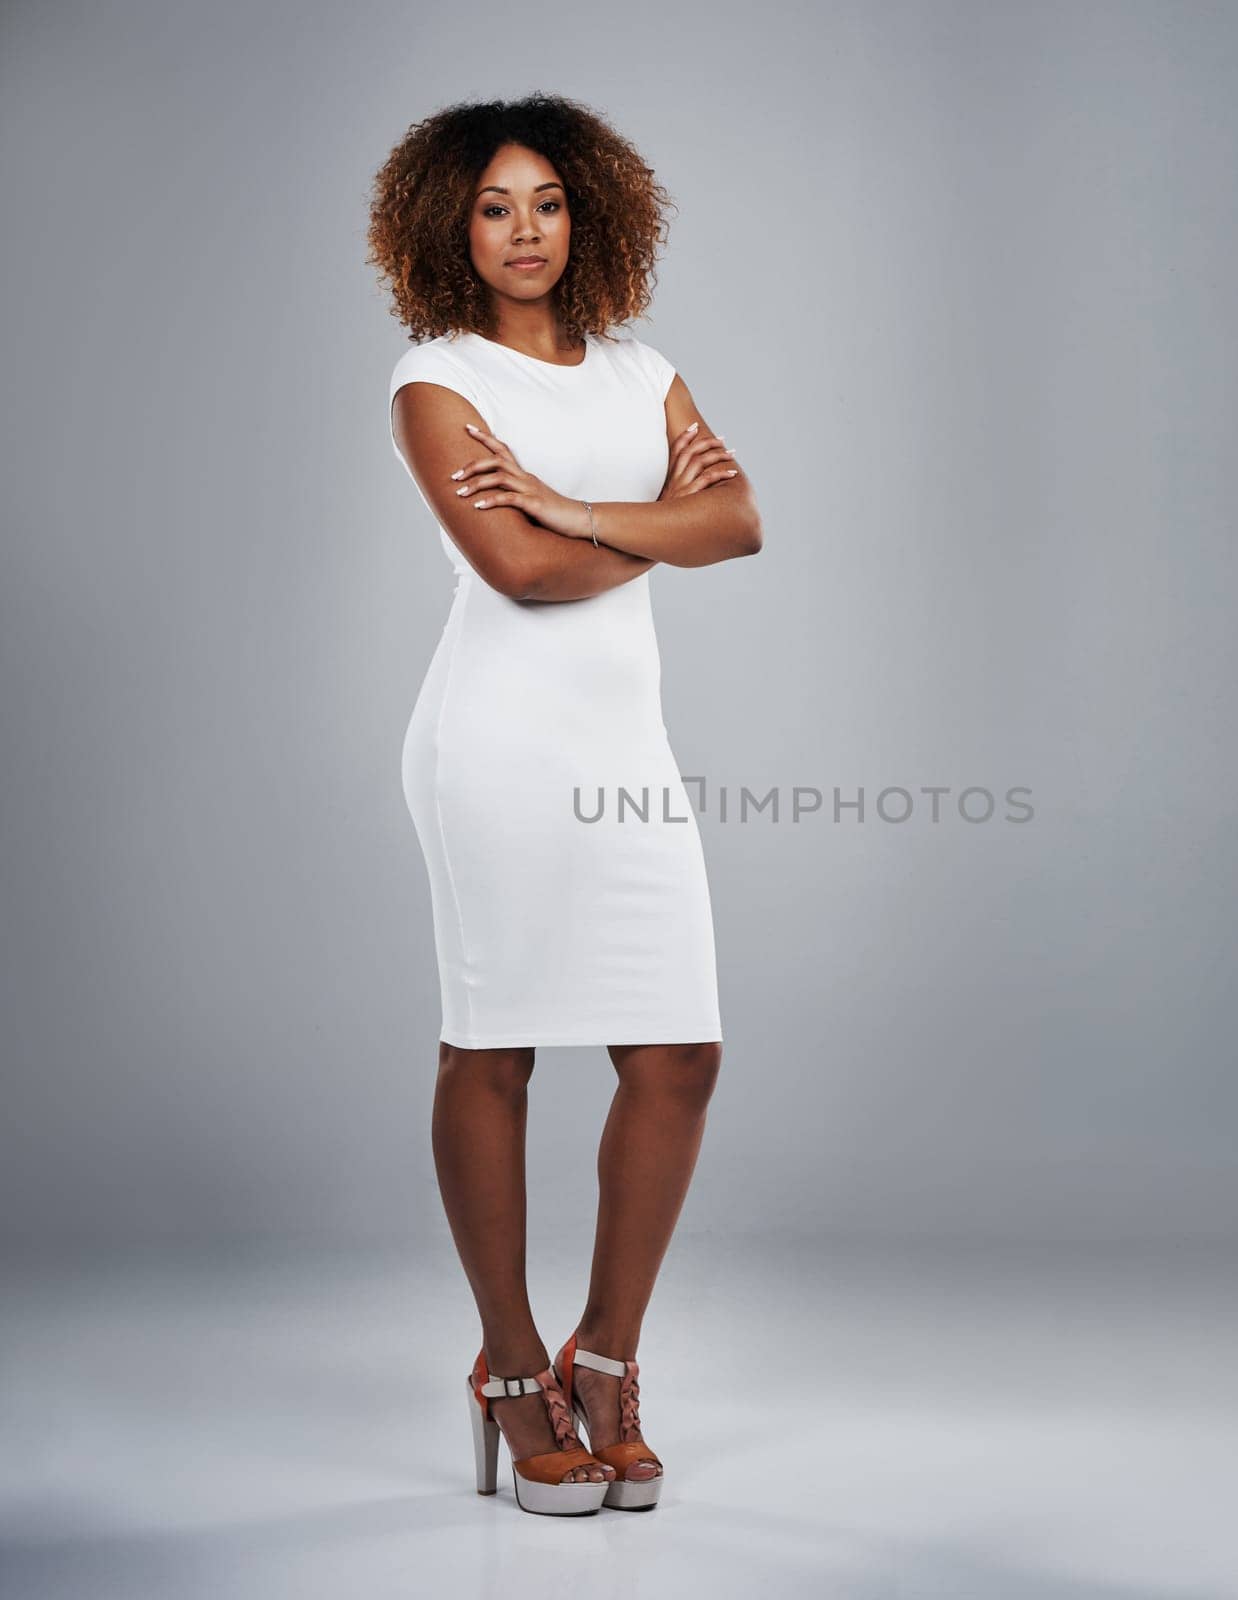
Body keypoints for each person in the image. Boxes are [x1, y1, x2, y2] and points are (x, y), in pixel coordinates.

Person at [367, 94, 762, 1516]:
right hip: (493, 749)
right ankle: (515, 1367)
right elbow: (516, 577)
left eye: (544, 200)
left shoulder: (642, 369)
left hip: (624, 755)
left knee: (679, 1054)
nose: (523, 229)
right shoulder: (437, 381)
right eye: (491, 205)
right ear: (448, 228)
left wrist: (575, 509)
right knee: (500, 1044)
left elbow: (745, 520)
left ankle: (612, 1358)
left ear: (587, 209)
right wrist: (655, 523)